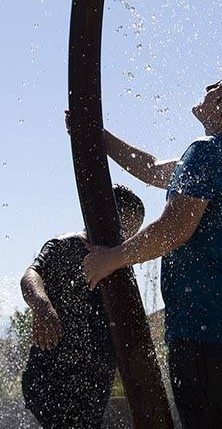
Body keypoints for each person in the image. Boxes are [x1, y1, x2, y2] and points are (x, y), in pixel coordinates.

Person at [81, 74, 222, 429]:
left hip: (212, 330)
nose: (207, 88)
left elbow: (174, 229)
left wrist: (111, 260)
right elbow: (153, 170)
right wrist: (97, 136)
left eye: (217, 87)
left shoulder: (207, 151)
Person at [20, 184, 146, 429]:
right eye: (126, 230)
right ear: (102, 217)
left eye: (133, 233)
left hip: (94, 382)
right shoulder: (66, 245)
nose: (128, 239)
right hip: (52, 375)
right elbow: (31, 276)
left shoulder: (119, 266)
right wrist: (42, 306)